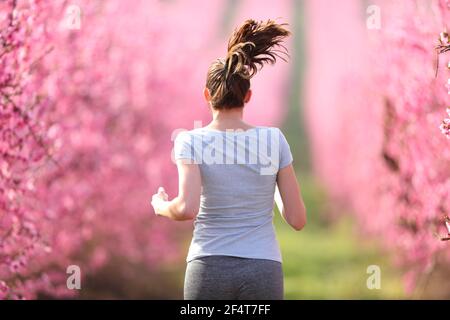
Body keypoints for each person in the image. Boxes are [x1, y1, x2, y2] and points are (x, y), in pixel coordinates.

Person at [151, 19, 307, 300]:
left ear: (207, 95)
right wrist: (268, 183)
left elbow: (187, 208)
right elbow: (297, 219)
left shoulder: (190, 140)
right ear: (248, 96)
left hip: (208, 264)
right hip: (263, 267)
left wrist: (160, 206)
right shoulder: (274, 140)